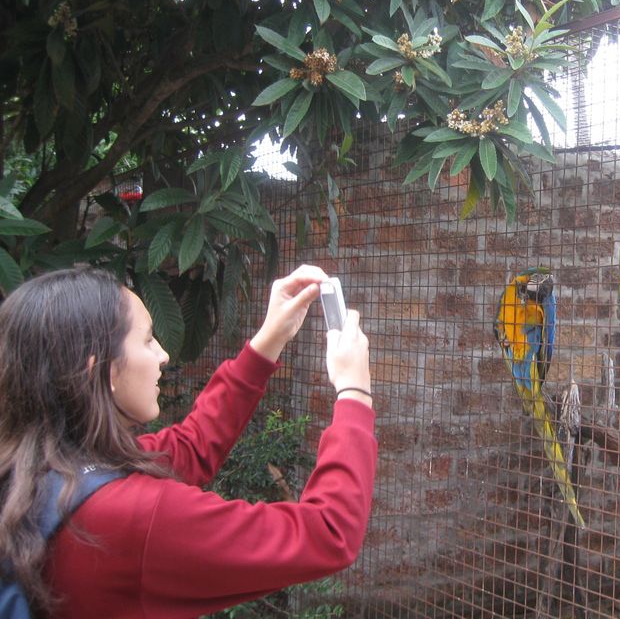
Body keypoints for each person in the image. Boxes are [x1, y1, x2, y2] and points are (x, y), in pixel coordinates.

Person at [0, 263, 376, 618]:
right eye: (148, 339)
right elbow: (328, 533)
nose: (163, 355)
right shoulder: (131, 518)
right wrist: (355, 392)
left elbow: (192, 445)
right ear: (103, 370)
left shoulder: (41, 471)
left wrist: (270, 338)